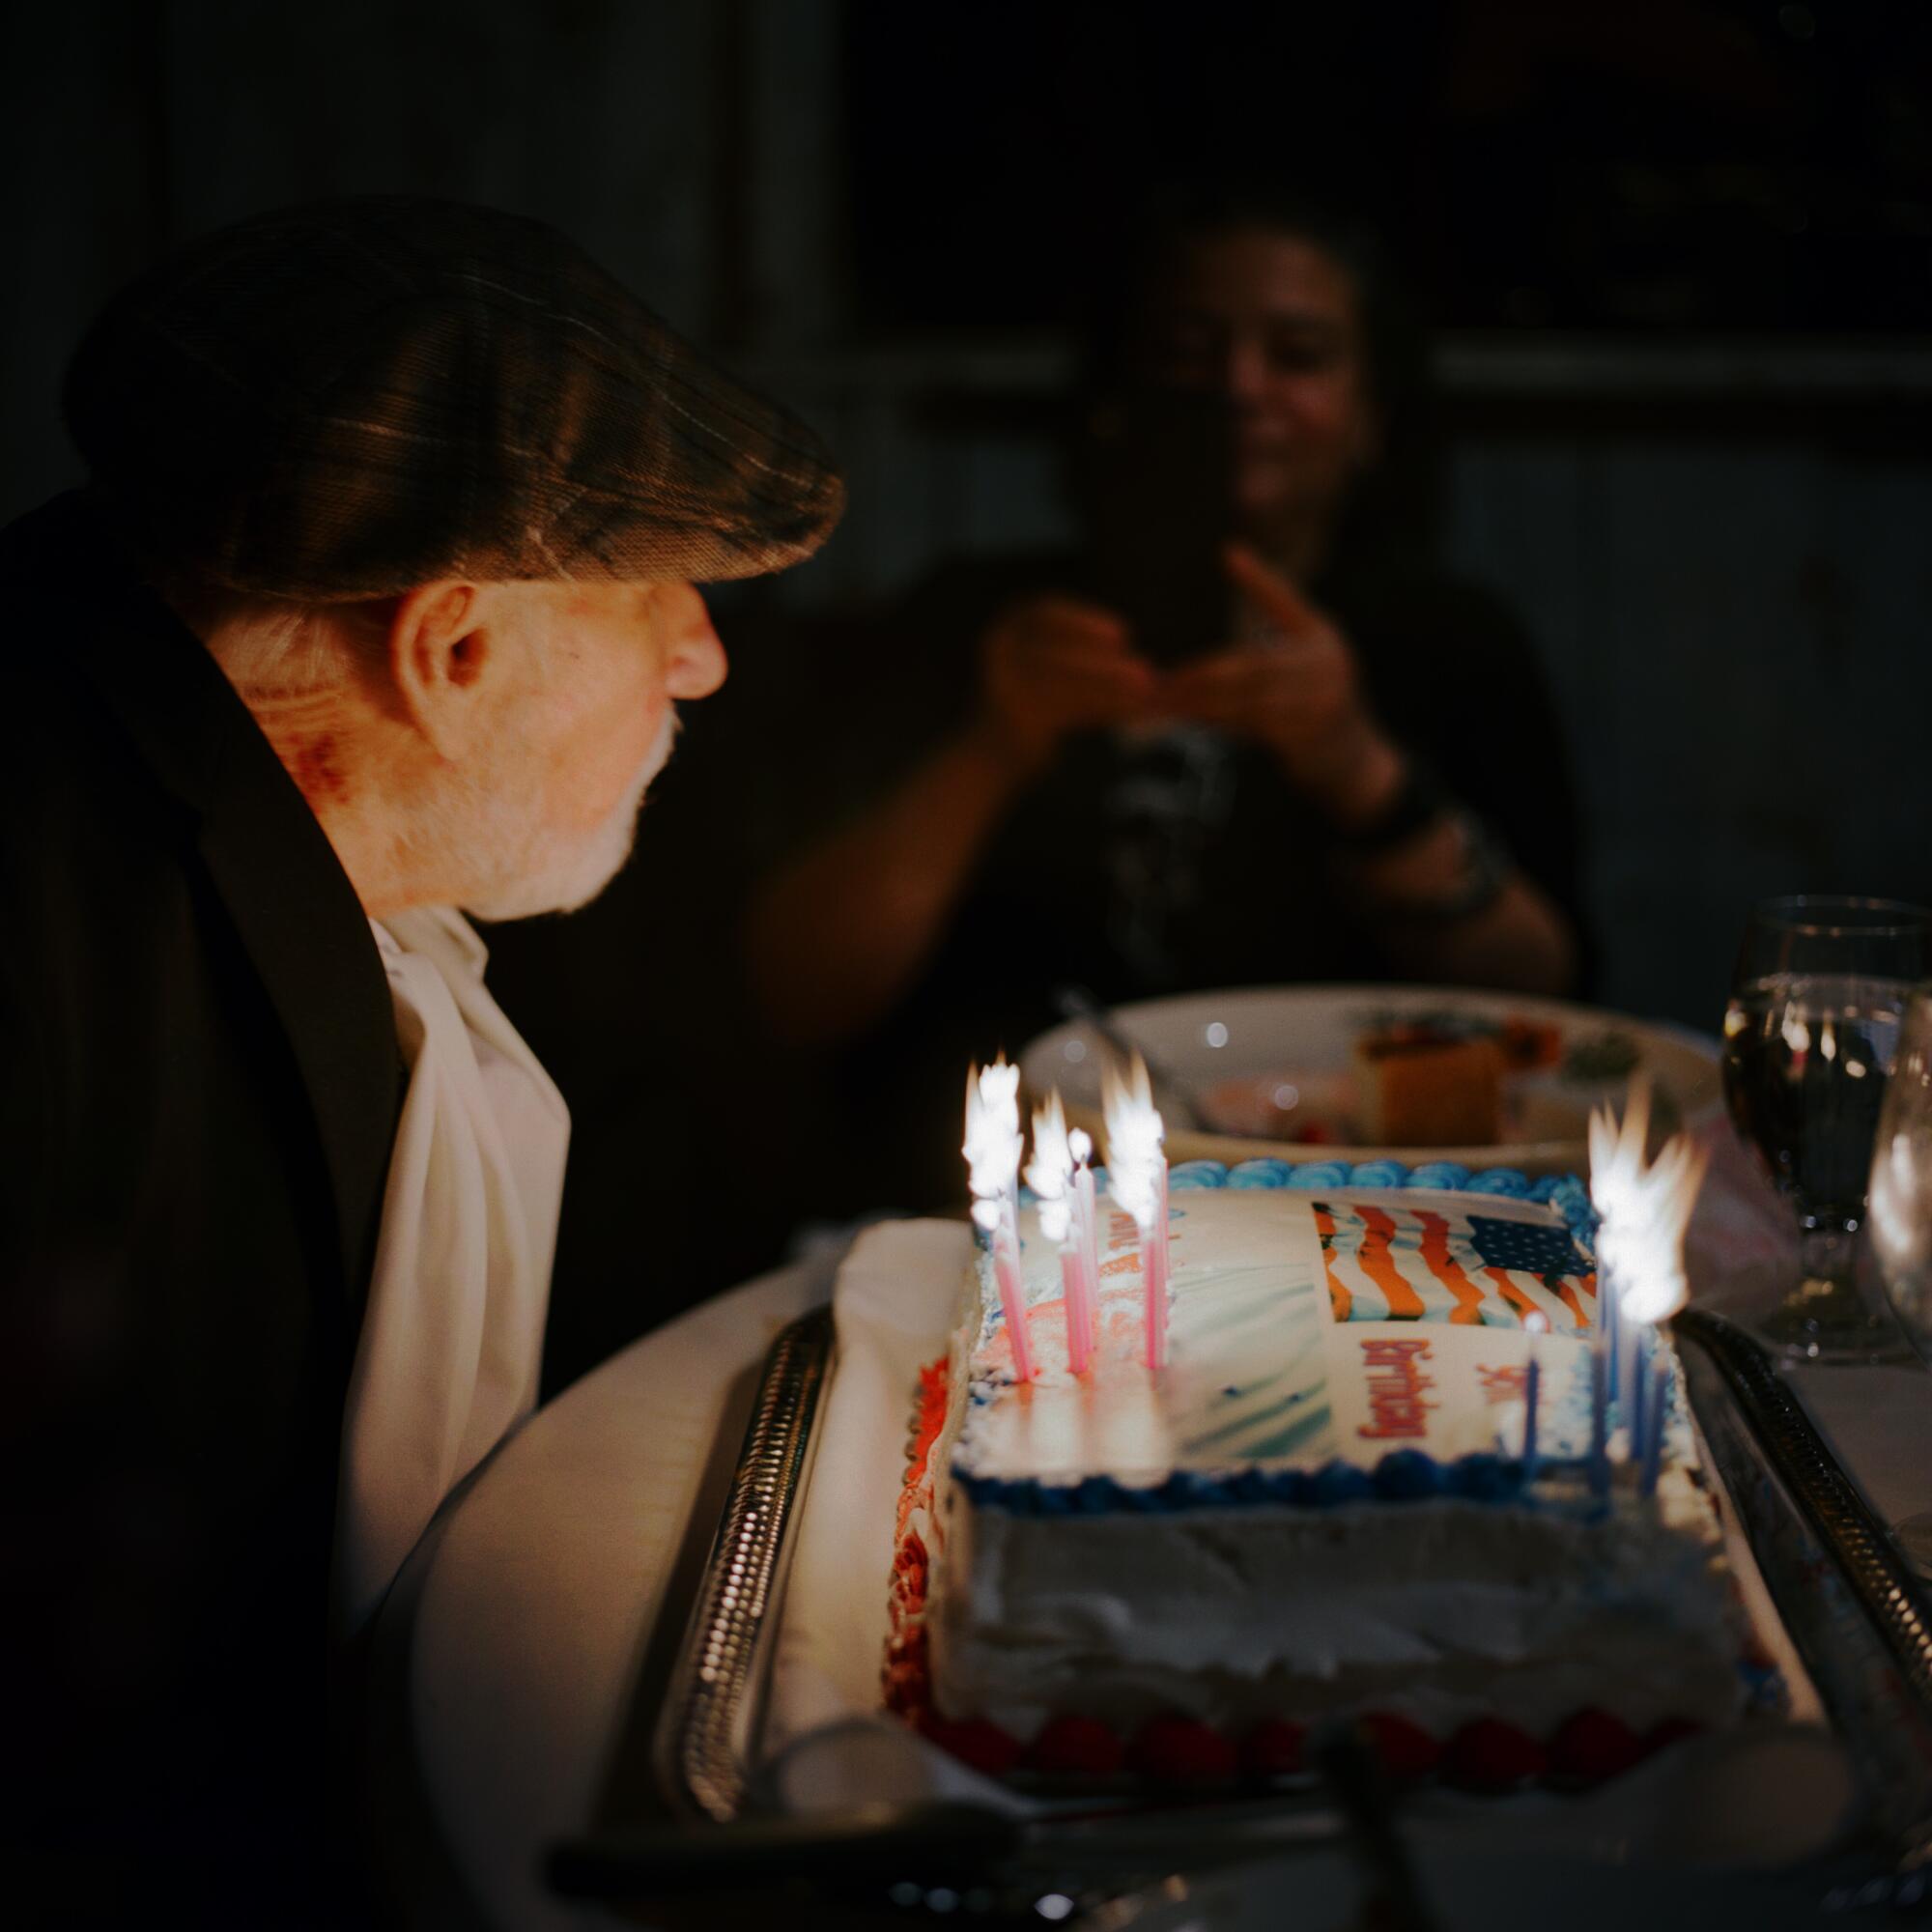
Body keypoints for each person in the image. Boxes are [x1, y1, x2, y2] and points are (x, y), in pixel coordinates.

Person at [0, 196, 841, 1922]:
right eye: (656, 595)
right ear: (450, 651)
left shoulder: (154, 715)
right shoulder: (56, 985)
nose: (704, 653)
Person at [739, 183, 1585, 1212]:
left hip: (1346, 1207)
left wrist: (1355, 763)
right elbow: (795, 991)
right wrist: (993, 743)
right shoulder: (976, 617)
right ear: (1117, 391)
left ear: (1368, 418)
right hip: (990, 1206)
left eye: (1298, 355)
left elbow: (1543, 990)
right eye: (1191, 350)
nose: (1238, 389)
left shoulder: (1442, 640)